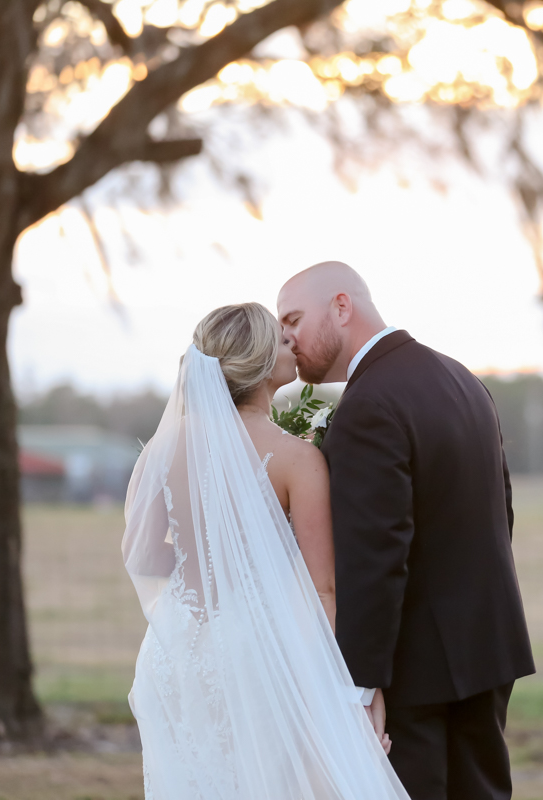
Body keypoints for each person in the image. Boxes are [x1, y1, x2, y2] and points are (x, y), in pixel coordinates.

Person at [123, 302, 408, 800]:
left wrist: (202, 560)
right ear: (257, 363)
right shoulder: (297, 460)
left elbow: (143, 555)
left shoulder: (161, 449)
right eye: (280, 339)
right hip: (257, 654)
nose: (291, 343)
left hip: (175, 653)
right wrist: (343, 697)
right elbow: (323, 590)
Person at [277, 262, 535, 800]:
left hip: (415, 671)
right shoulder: (463, 379)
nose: (288, 340)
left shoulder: (369, 405)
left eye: (294, 320)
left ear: (341, 307)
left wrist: (359, 684)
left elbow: (375, 557)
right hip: (487, 648)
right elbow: (500, 512)